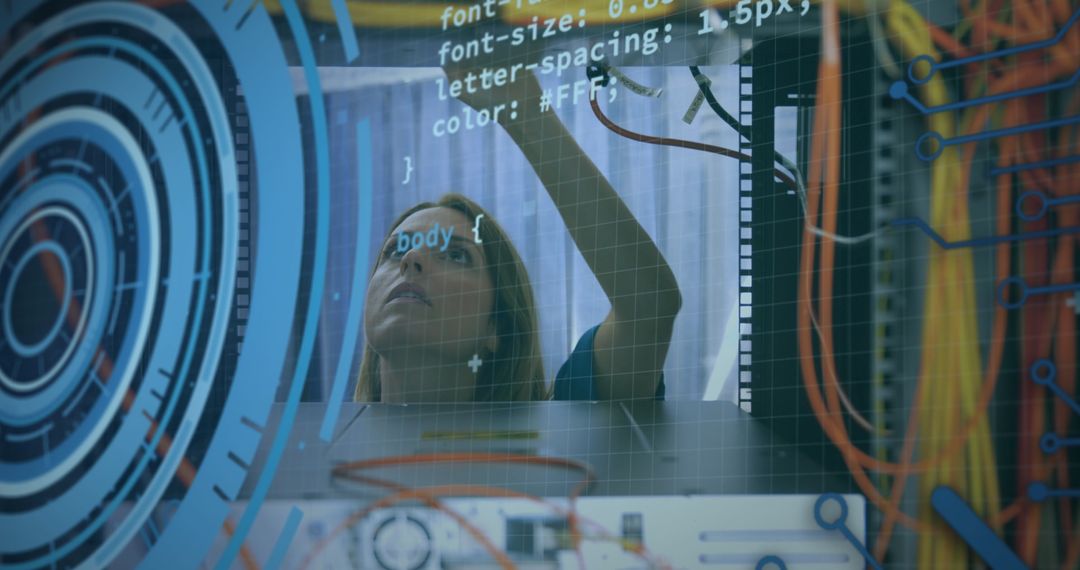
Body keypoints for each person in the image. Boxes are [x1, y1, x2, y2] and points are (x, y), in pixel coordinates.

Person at [354, 69, 681, 403]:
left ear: (497, 326)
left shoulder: (568, 427)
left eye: (455, 255)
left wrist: (525, 108)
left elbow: (649, 306)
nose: (411, 259)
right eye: (395, 251)